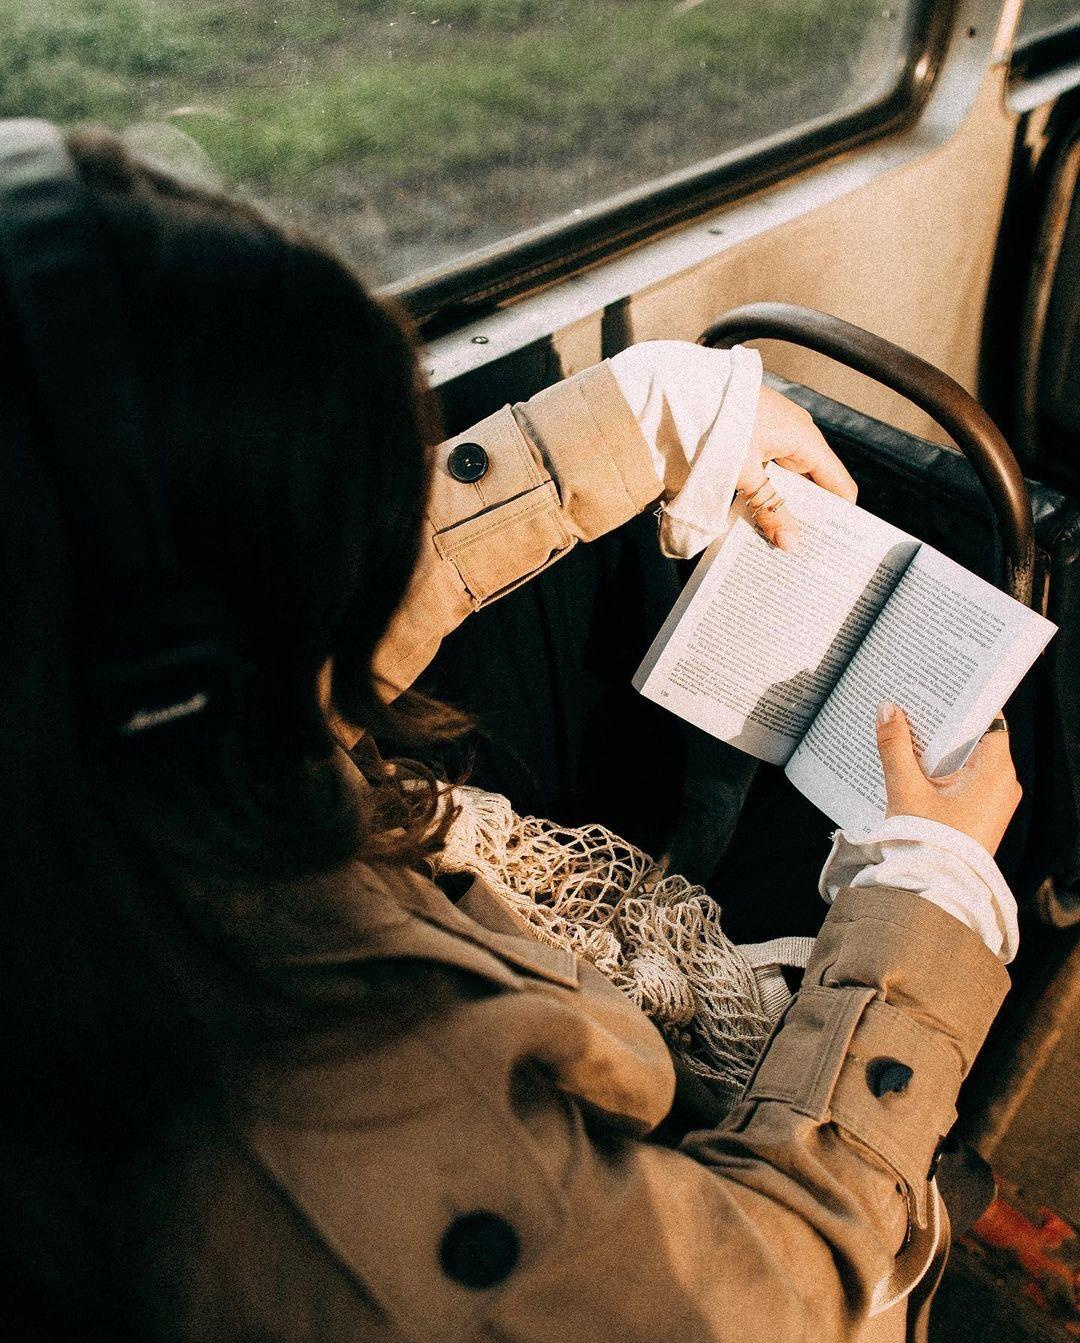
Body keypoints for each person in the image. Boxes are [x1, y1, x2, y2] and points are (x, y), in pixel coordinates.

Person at [0, 124, 1022, 1343]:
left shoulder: (90, 743)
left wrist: (639, 420)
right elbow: (781, 1300)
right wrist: (927, 900)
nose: (382, 546)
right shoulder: (337, 1142)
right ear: (169, 672)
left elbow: (264, 652)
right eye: (338, 531)